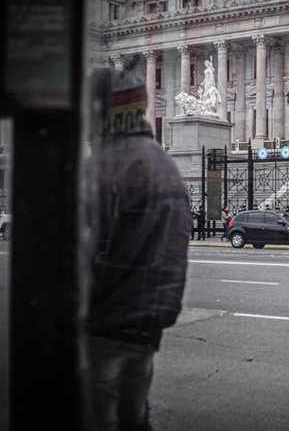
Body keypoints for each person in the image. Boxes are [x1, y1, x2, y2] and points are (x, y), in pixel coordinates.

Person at [85, 66, 190, 431]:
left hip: (107, 323)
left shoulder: (106, 167)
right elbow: (176, 249)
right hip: (148, 325)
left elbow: (83, 251)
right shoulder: (166, 165)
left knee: (99, 417)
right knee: (134, 414)